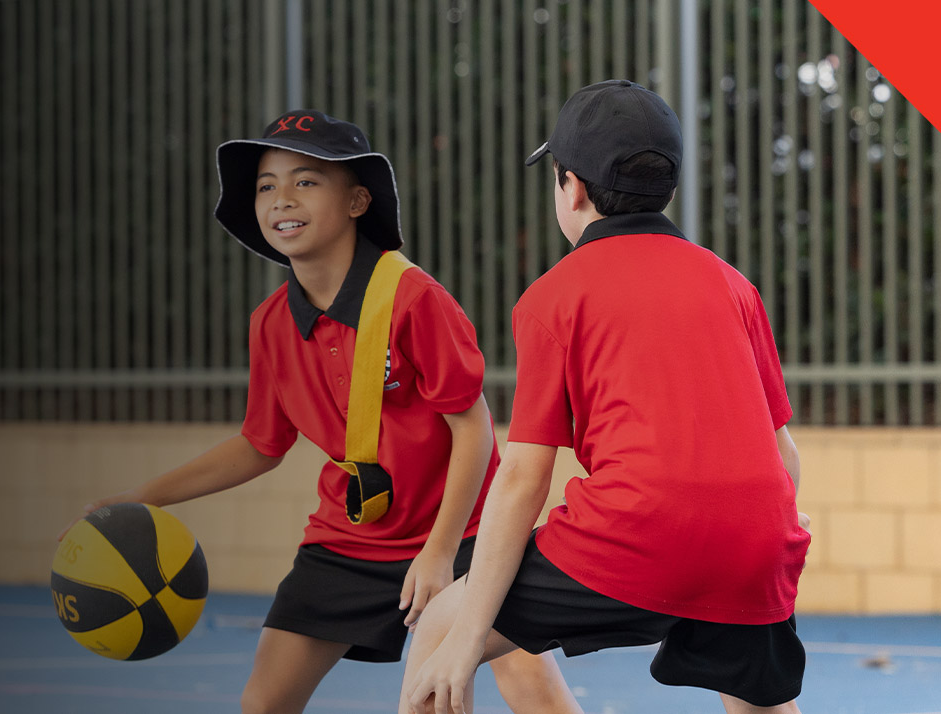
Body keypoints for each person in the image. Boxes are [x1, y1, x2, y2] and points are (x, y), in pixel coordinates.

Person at [68, 110, 581, 714]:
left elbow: (473, 430)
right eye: (266, 185)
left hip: (461, 532)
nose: (282, 197)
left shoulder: (415, 299)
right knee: (264, 703)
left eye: (306, 181)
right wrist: (142, 498)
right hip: (347, 542)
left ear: (358, 199)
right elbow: (260, 445)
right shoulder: (271, 324)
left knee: (526, 684)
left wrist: (441, 550)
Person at [398, 80, 812, 714]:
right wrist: (771, 526)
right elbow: (782, 453)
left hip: (633, 538)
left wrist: (468, 638)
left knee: (440, 633)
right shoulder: (732, 284)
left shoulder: (554, 297)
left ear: (573, 187)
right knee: (760, 703)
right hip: (757, 540)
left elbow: (522, 479)